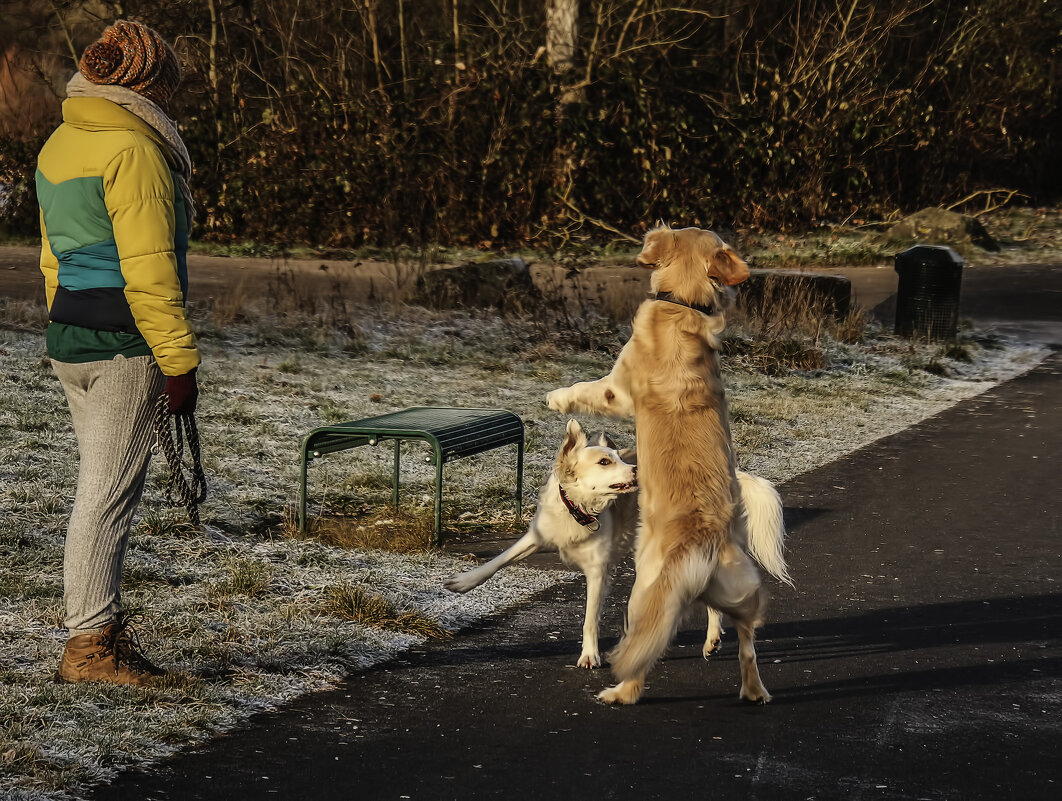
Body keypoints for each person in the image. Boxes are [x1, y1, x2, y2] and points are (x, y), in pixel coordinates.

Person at [35, 20, 200, 686]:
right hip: (127, 342)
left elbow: (53, 259)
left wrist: (63, 320)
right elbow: (150, 268)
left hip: (71, 334)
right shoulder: (134, 147)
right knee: (105, 494)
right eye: (167, 84)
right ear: (143, 82)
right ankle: (90, 648)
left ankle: (94, 635)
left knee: (94, 488)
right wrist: (179, 361)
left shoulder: (58, 143)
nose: (173, 99)